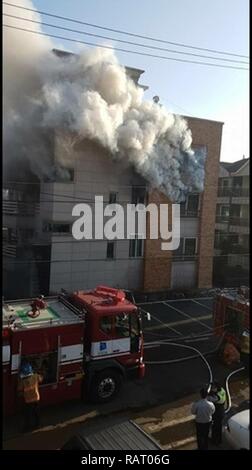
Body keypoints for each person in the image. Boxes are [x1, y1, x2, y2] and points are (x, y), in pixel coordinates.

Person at [18, 362, 43, 432]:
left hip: (28, 401)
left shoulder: (23, 381)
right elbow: (41, 379)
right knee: (36, 413)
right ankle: (38, 424)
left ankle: (27, 428)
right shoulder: (35, 376)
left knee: (28, 415)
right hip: (36, 399)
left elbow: (19, 390)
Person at [208, 381, 227, 446]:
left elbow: (208, 399)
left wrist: (209, 393)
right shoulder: (222, 390)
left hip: (217, 414)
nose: (211, 388)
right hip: (221, 411)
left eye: (213, 387)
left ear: (216, 388)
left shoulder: (216, 397)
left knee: (215, 427)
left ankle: (214, 441)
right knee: (218, 427)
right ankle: (219, 440)